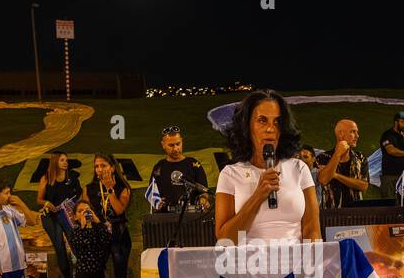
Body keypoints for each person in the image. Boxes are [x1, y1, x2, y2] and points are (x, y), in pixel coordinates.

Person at [214, 89, 321, 243]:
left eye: (277, 122)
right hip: (250, 265)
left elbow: (312, 230)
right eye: (262, 120)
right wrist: (258, 195)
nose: (270, 128)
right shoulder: (230, 174)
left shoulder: (299, 169)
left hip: (294, 264)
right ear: (247, 126)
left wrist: (311, 264)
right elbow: (225, 240)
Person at [86, 153, 135, 278]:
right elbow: (84, 209)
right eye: (97, 166)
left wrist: (110, 190)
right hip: (98, 236)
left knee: (121, 276)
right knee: (94, 277)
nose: (100, 169)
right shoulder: (90, 188)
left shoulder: (123, 187)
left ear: (112, 167)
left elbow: (119, 209)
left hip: (119, 236)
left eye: (104, 165)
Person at [36, 149, 81, 278]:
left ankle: (80, 276)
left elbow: (80, 195)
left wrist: (75, 209)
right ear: (55, 161)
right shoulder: (46, 178)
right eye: (62, 160)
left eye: (66, 160)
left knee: (75, 244)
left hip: (67, 215)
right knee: (59, 248)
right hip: (51, 217)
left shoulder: (72, 177)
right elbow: (39, 199)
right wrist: (46, 203)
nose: (65, 163)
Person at [146, 125, 209, 213]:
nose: (176, 148)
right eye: (171, 145)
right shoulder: (159, 166)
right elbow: (152, 193)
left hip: (191, 216)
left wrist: (203, 200)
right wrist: (157, 203)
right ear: (163, 145)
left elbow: (204, 191)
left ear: (182, 141)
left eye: (178, 144)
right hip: (165, 217)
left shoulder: (194, 164)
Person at [318, 119, 370, 209]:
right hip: (330, 214)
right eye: (353, 132)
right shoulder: (323, 157)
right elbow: (323, 180)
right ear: (341, 134)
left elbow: (363, 185)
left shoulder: (360, 157)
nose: (357, 136)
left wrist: (336, 175)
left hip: (356, 213)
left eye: (357, 132)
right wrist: (337, 154)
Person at [378, 112, 404, 199]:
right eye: (403, 122)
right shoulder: (387, 135)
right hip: (389, 175)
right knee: (388, 203)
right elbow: (391, 150)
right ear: (396, 122)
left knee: (403, 203)